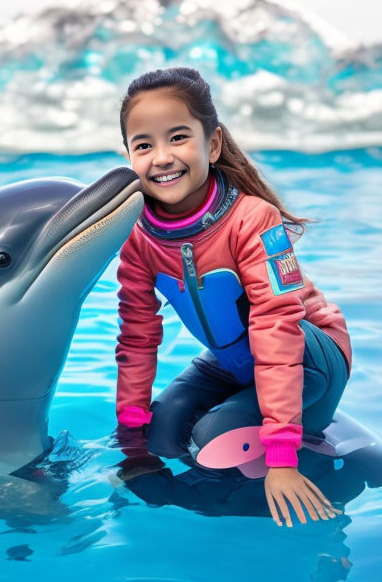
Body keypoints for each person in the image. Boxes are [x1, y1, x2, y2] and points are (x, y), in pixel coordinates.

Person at [114, 67, 351, 527]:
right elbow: (137, 337)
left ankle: (287, 468)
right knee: (158, 434)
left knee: (213, 438)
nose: (162, 157)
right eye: (144, 145)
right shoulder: (139, 237)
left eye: (178, 137)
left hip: (310, 358)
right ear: (129, 155)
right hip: (231, 361)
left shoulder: (252, 219)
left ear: (213, 144)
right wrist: (130, 434)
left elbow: (278, 328)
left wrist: (282, 457)